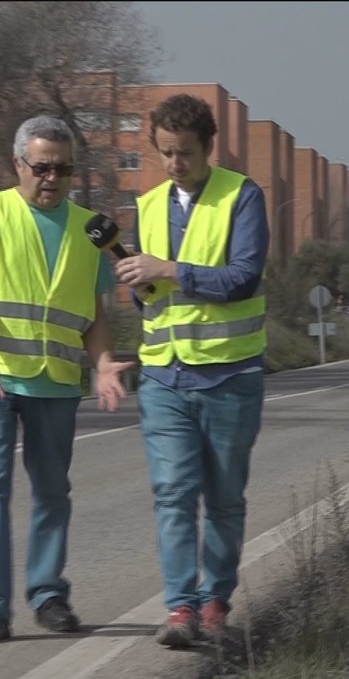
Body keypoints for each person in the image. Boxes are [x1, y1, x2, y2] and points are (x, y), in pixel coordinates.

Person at [0, 114, 134, 644]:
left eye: (63, 168)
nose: (52, 177)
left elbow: (98, 314)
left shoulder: (91, 228)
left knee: (53, 491)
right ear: (18, 165)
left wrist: (102, 363)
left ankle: (49, 595)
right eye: (42, 167)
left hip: (55, 379)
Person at [111, 93, 269, 648]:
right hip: (164, 377)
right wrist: (140, 282)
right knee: (173, 493)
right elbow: (150, 297)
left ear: (208, 147)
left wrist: (171, 269)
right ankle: (179, 607)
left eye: (184, 153)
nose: (174, 164)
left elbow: (244, 277)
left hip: (229, 377)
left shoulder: (242, 197)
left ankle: (215, 604)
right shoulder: (148, 204)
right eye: (165, 153)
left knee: (224, 499)